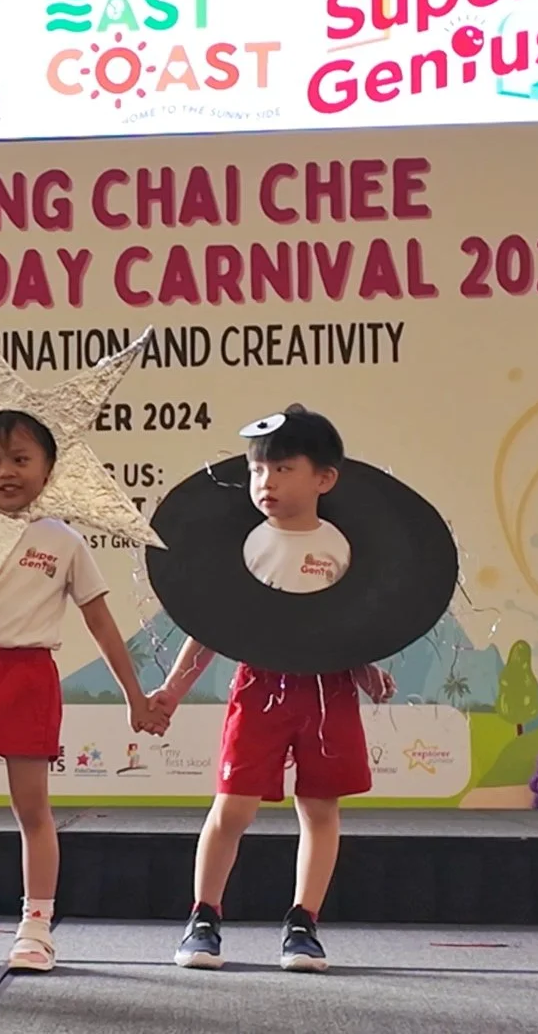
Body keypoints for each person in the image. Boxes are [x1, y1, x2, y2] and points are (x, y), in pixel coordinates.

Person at [0, 409, 169, 974]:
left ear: (47, 470)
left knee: (33, 809)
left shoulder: (64, 541)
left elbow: (101, 623)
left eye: (20, 460)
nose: (6, 472)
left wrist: (134, 696)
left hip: (29, 678)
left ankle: (37, 925)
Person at [152, 403, 396, 973]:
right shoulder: (247, 546)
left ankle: (303, 924)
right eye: (258, 470)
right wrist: (171, 691)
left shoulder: (341, 548)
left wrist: (366, 671)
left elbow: (350, 626)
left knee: (319, 809)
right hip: (259, 688)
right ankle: (203, 918)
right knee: (232, 807)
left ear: (324, 479)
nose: (268, 482)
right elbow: (211, 630)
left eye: (284, 469)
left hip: (328, 692)